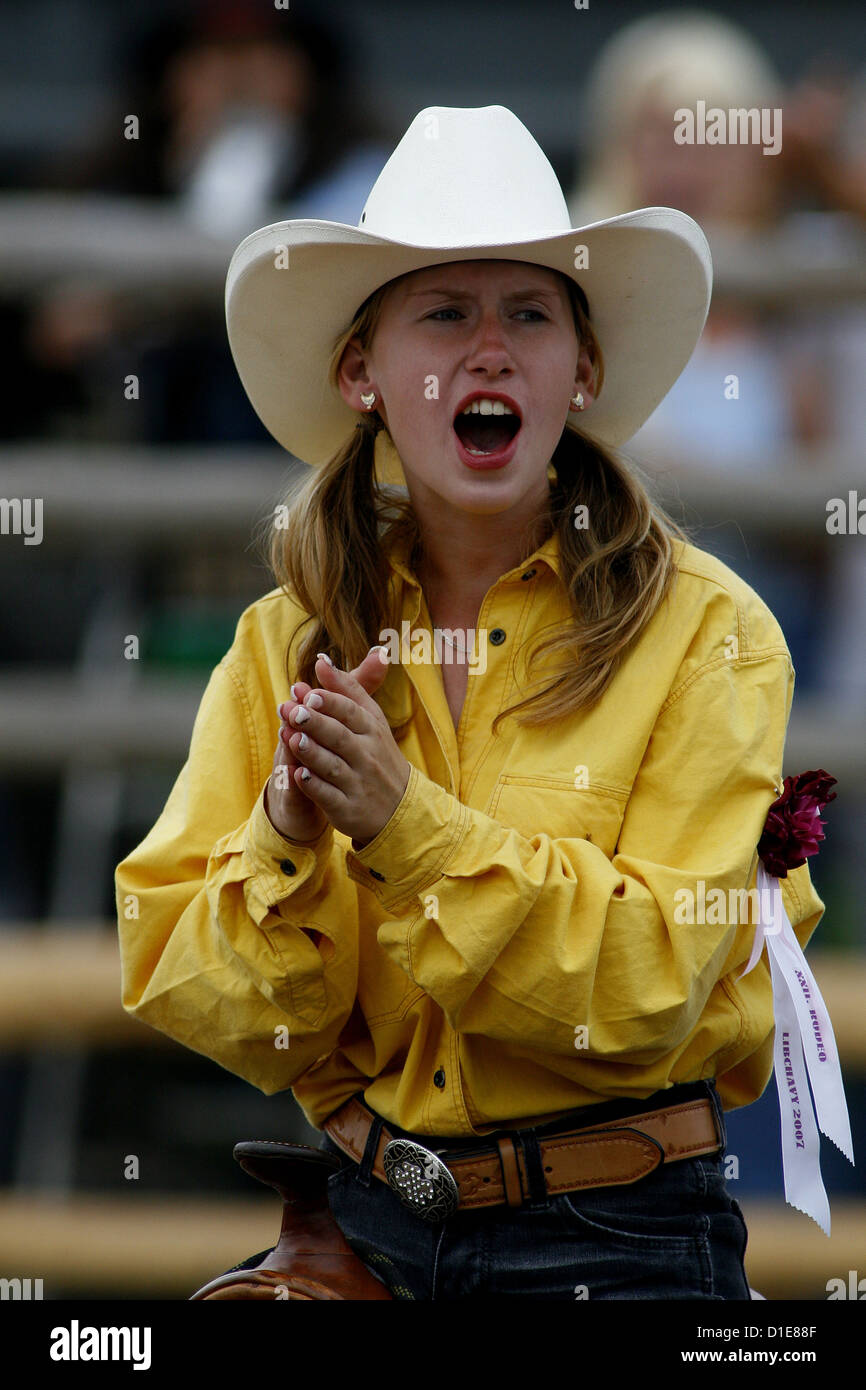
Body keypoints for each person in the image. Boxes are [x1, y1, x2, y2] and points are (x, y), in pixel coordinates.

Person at [115, 105, 826, 1300]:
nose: (488, 350)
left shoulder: (709, 634)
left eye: (529, 314)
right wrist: (283, 843)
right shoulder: (279, 641)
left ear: (580, 368)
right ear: (364, 373)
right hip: (362, 1221)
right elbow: (222, 1009)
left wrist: (404, 827)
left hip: (621, 1240)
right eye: (444, 312)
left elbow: (649, 991)